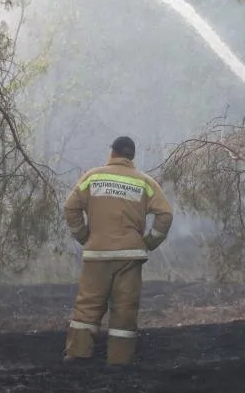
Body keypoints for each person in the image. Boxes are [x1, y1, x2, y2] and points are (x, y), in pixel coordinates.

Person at [62, 136, 174, 366]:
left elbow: (70, 207)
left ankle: (77, 354)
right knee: (125, 308)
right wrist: (150, 241)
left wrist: (84, 236)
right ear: (131, 156)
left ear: (112, 152)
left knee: (88, 304)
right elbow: (165, 214)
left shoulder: (93, 177)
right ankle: (120, 360)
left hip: (97, 255)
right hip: (130, 257)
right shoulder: (145, 182)